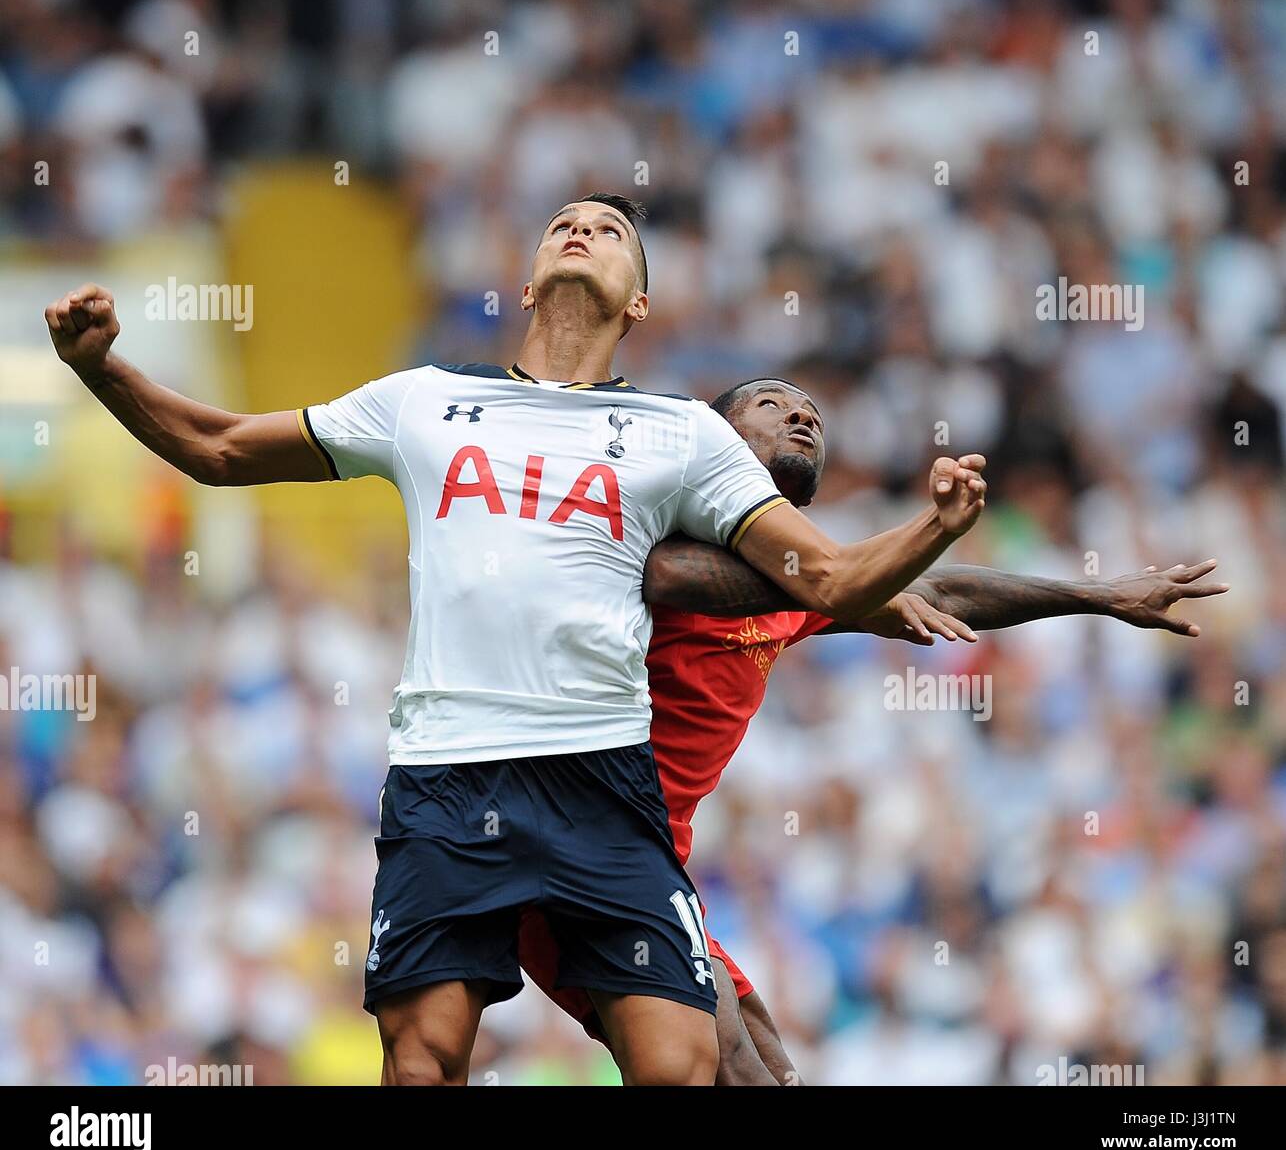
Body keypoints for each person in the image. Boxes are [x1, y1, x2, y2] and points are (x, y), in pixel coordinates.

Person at [43, 194, 988, 1087]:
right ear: (529, 280)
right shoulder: (424, 400)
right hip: (449, 772)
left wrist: (934, 527)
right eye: (563, 224)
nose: (581, 230)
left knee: (681, 1066)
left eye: (609, 229)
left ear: (642, 298)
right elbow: (216, 448)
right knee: (423, 1064)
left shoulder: (684, 434)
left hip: (604, 781)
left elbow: (825, 579)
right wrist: (101, 370)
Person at [519, 376, 1229, 1084]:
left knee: (768, 1062)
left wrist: (1101, 595)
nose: (800, 412)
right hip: (577, 844)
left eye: (814, 413)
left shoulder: (800, 586)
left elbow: (942, 592)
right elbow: (668, 576)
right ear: (714, 439)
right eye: (770, 404)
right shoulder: (659, 526)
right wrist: (846, 572)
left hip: (648, 858)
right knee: (721, 1062)